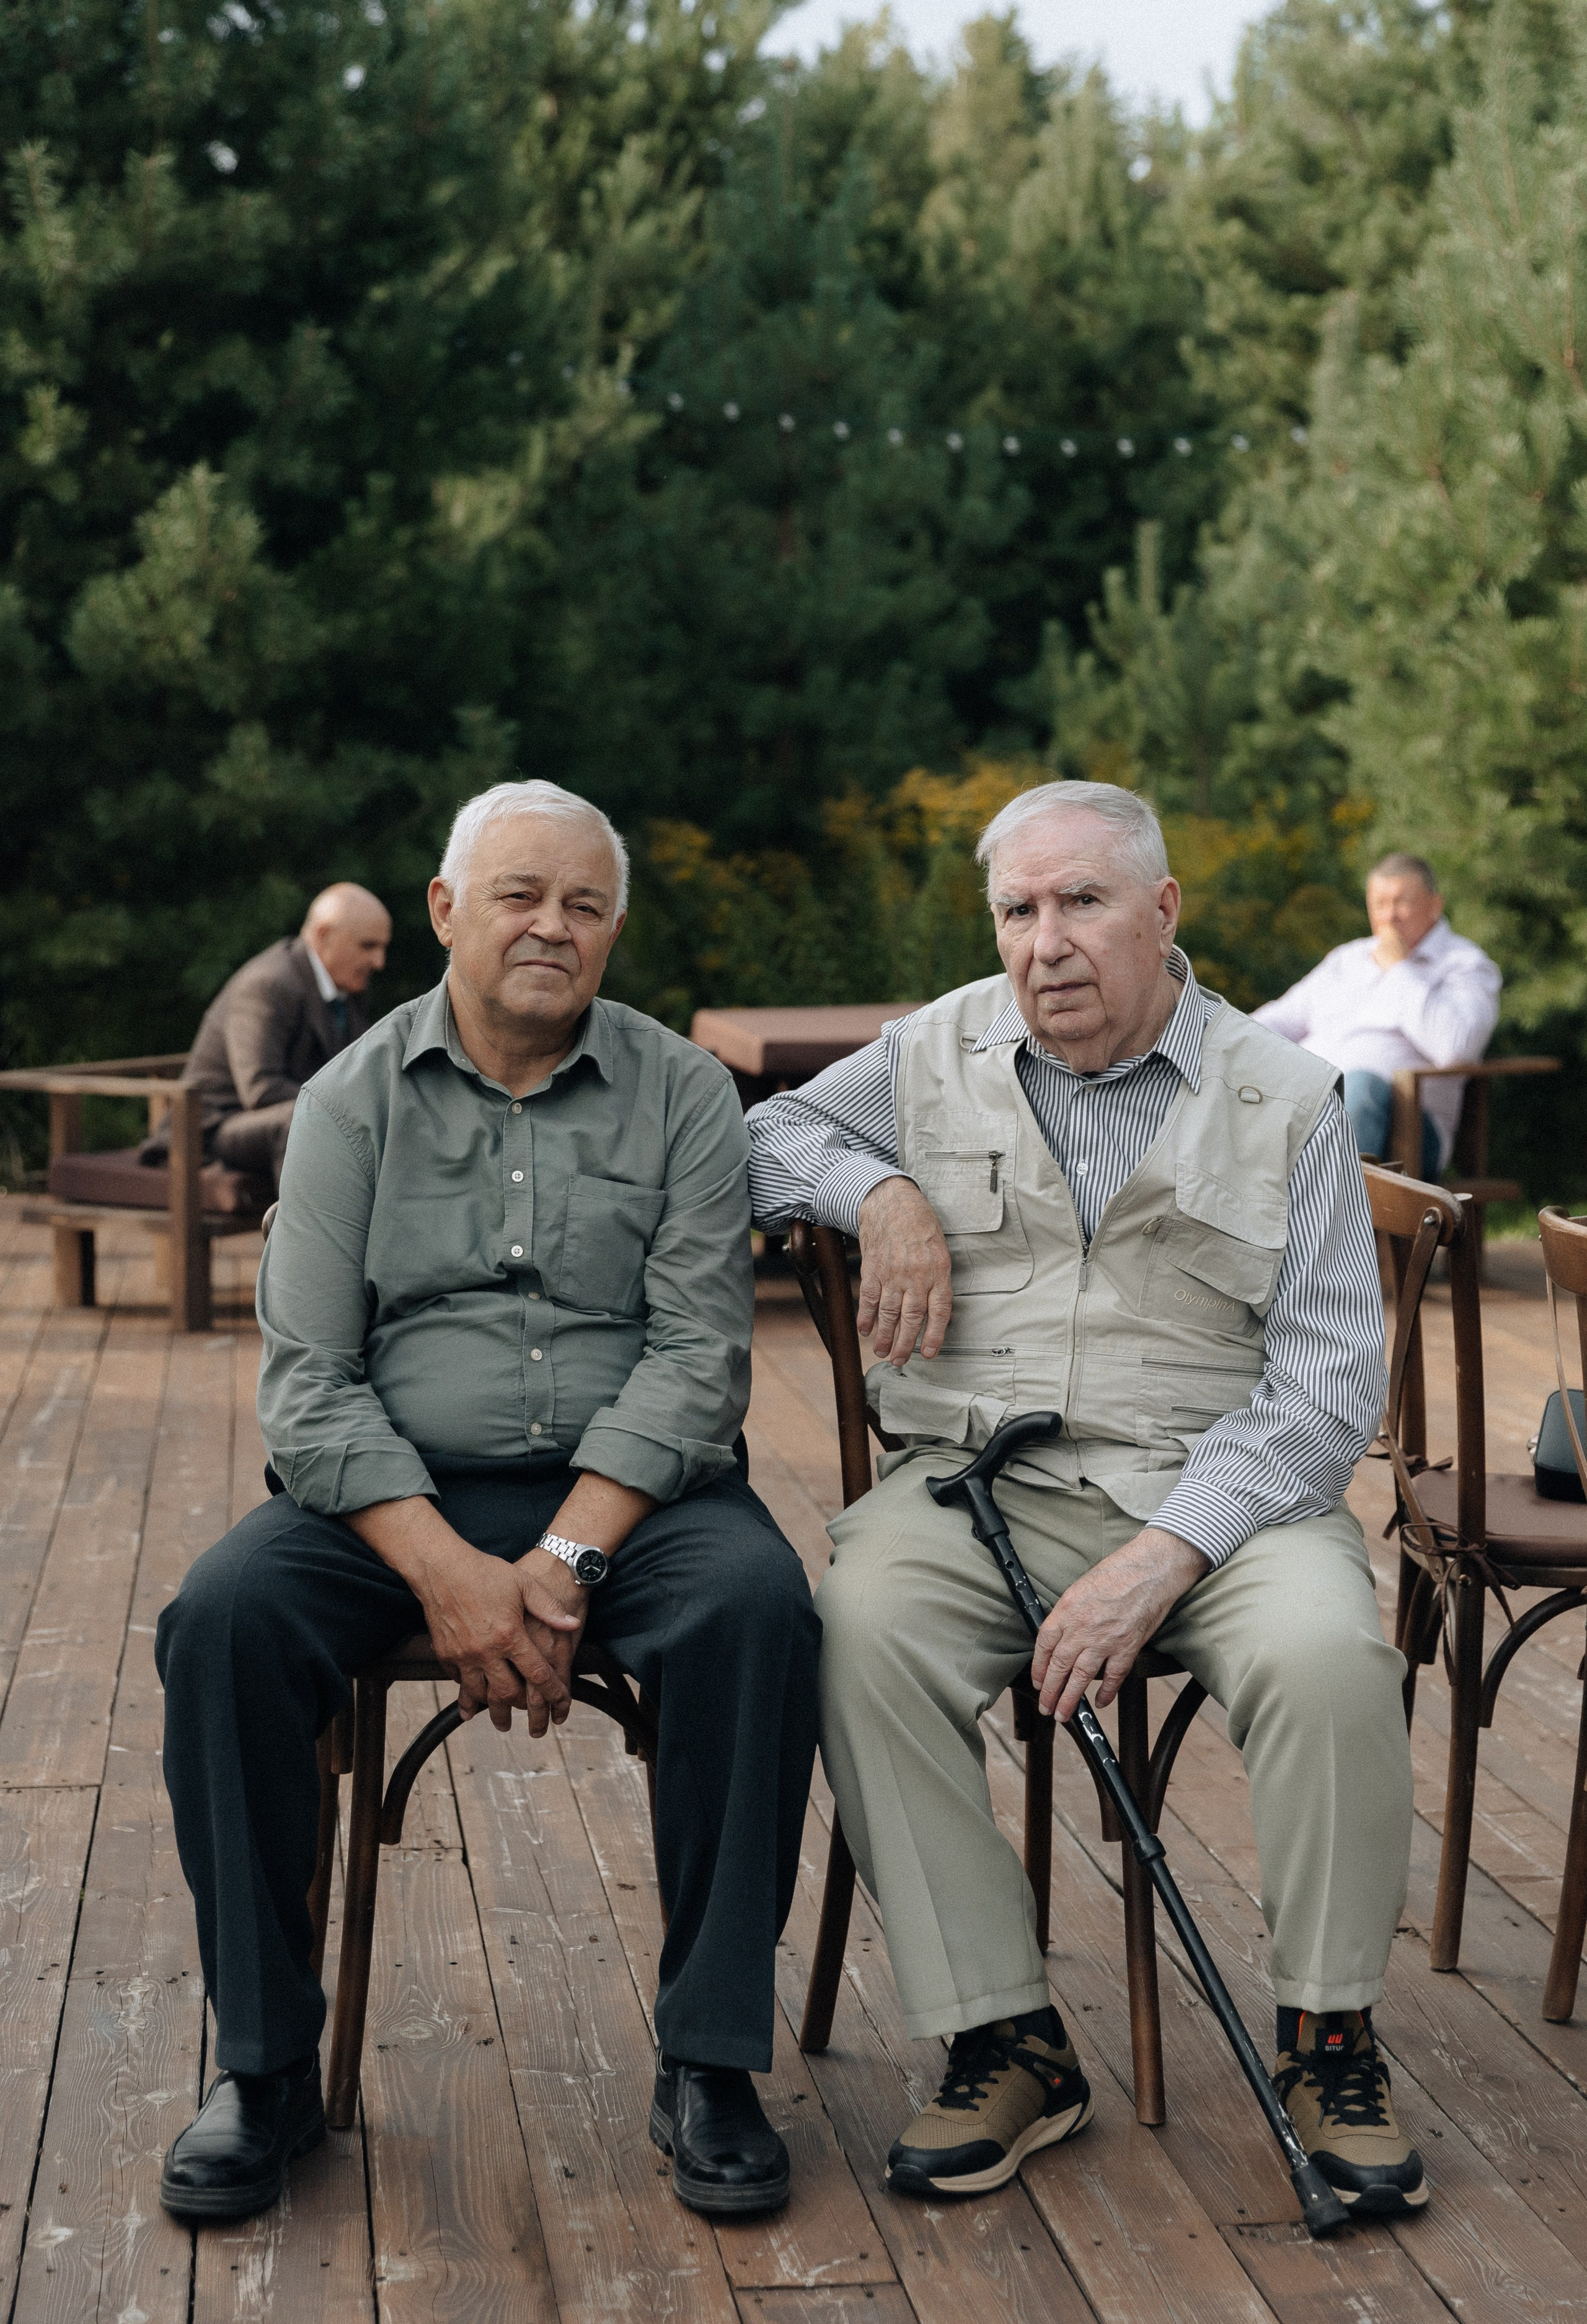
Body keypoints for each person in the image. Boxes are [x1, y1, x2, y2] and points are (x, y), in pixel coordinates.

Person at [748, 780, 1425, 2220]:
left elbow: (1320, 1393)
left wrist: (1162, 1553)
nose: (1042, 941)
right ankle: (1004, 2033)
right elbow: (763, 1142)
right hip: (975, 1487)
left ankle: (1325, 2037)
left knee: (1325, 1654)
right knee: (855, 1621)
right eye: (1015, 909)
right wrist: (880, 1194)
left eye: (1080, 902)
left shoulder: (1282, 1093)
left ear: (1162, 909)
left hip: (1221, 1497)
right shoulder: (931, 1051)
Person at [154, 780, 818, 2225]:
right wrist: (451, 1571)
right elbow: (308, 1384)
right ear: (447, 911)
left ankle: (708, 2057)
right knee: (220, 1617)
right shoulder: (347, 1100)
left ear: (614, 930)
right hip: (395, 1486)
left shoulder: (686, 1093)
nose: (551, 926)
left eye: (584, 904)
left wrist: (565, 1556)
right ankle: (264, 2068)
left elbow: (698, 1361)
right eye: (519, 893)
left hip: (640, 1495)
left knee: (758, 1609)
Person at [1252, 854, 1500, 1178]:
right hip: (1312, 1108)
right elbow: (1279, 1020)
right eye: (1379, 904)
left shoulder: (1464, 964)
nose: (1388, 916)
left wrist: (1399, 969)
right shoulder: (1347, 959)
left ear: (1435, 905)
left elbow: (1456, 1047)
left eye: (1400, 902)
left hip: (1407, 1129)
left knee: (1361, 1084)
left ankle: (1333, 1222)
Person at [147, 883, 393, 1189]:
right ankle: (302, 1237)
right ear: (323, 934)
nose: (379, 962)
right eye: (368, 946)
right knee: (305, 1120)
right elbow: (260, 1089)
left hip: (269, 1122)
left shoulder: (349, 987)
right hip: (213, 1130)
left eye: (383, 948)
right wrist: (349, 1107)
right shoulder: (269, 984)